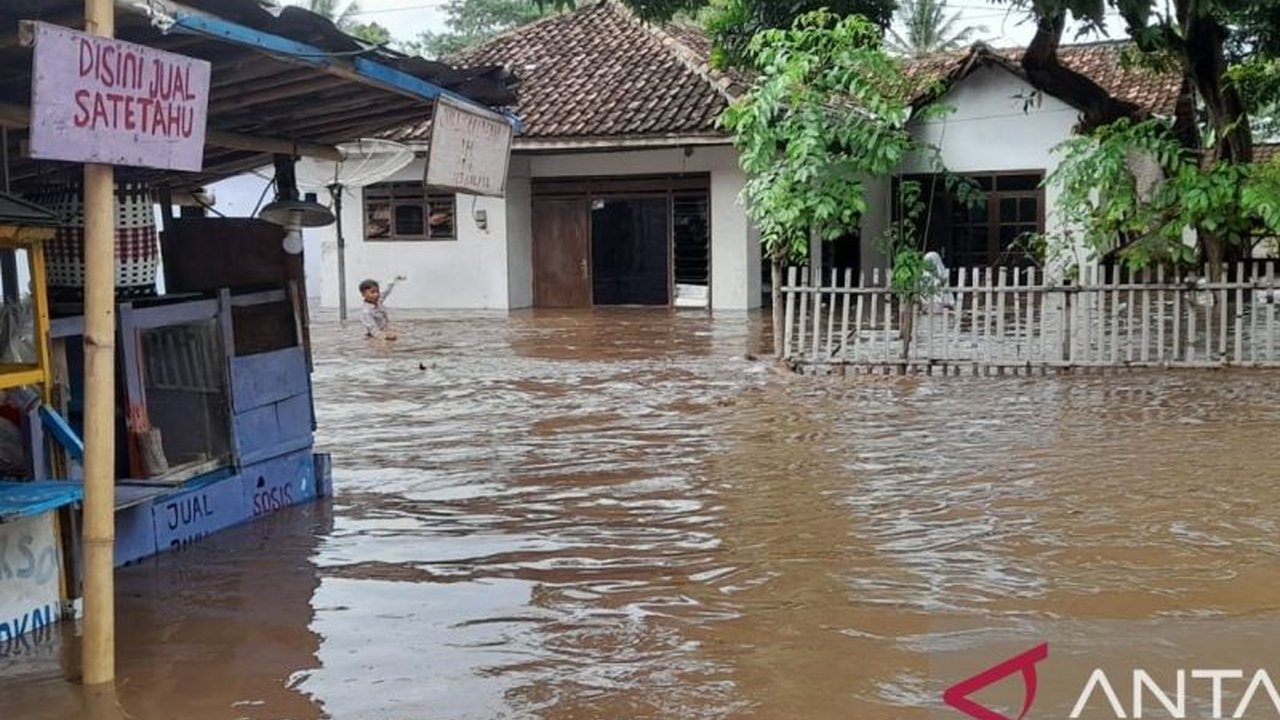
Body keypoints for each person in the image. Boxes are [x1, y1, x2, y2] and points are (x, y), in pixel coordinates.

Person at [359, 276, 406, 341]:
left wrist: (394, 280)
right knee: (384, 347)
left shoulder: (378, 300)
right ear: (363, 294)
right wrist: (384, 338)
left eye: (377, 291)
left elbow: (387, 291)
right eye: (372, 292)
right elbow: (372, 329)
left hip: (384, 330)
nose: (376, 294)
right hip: (373, 336)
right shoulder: (366, 312)